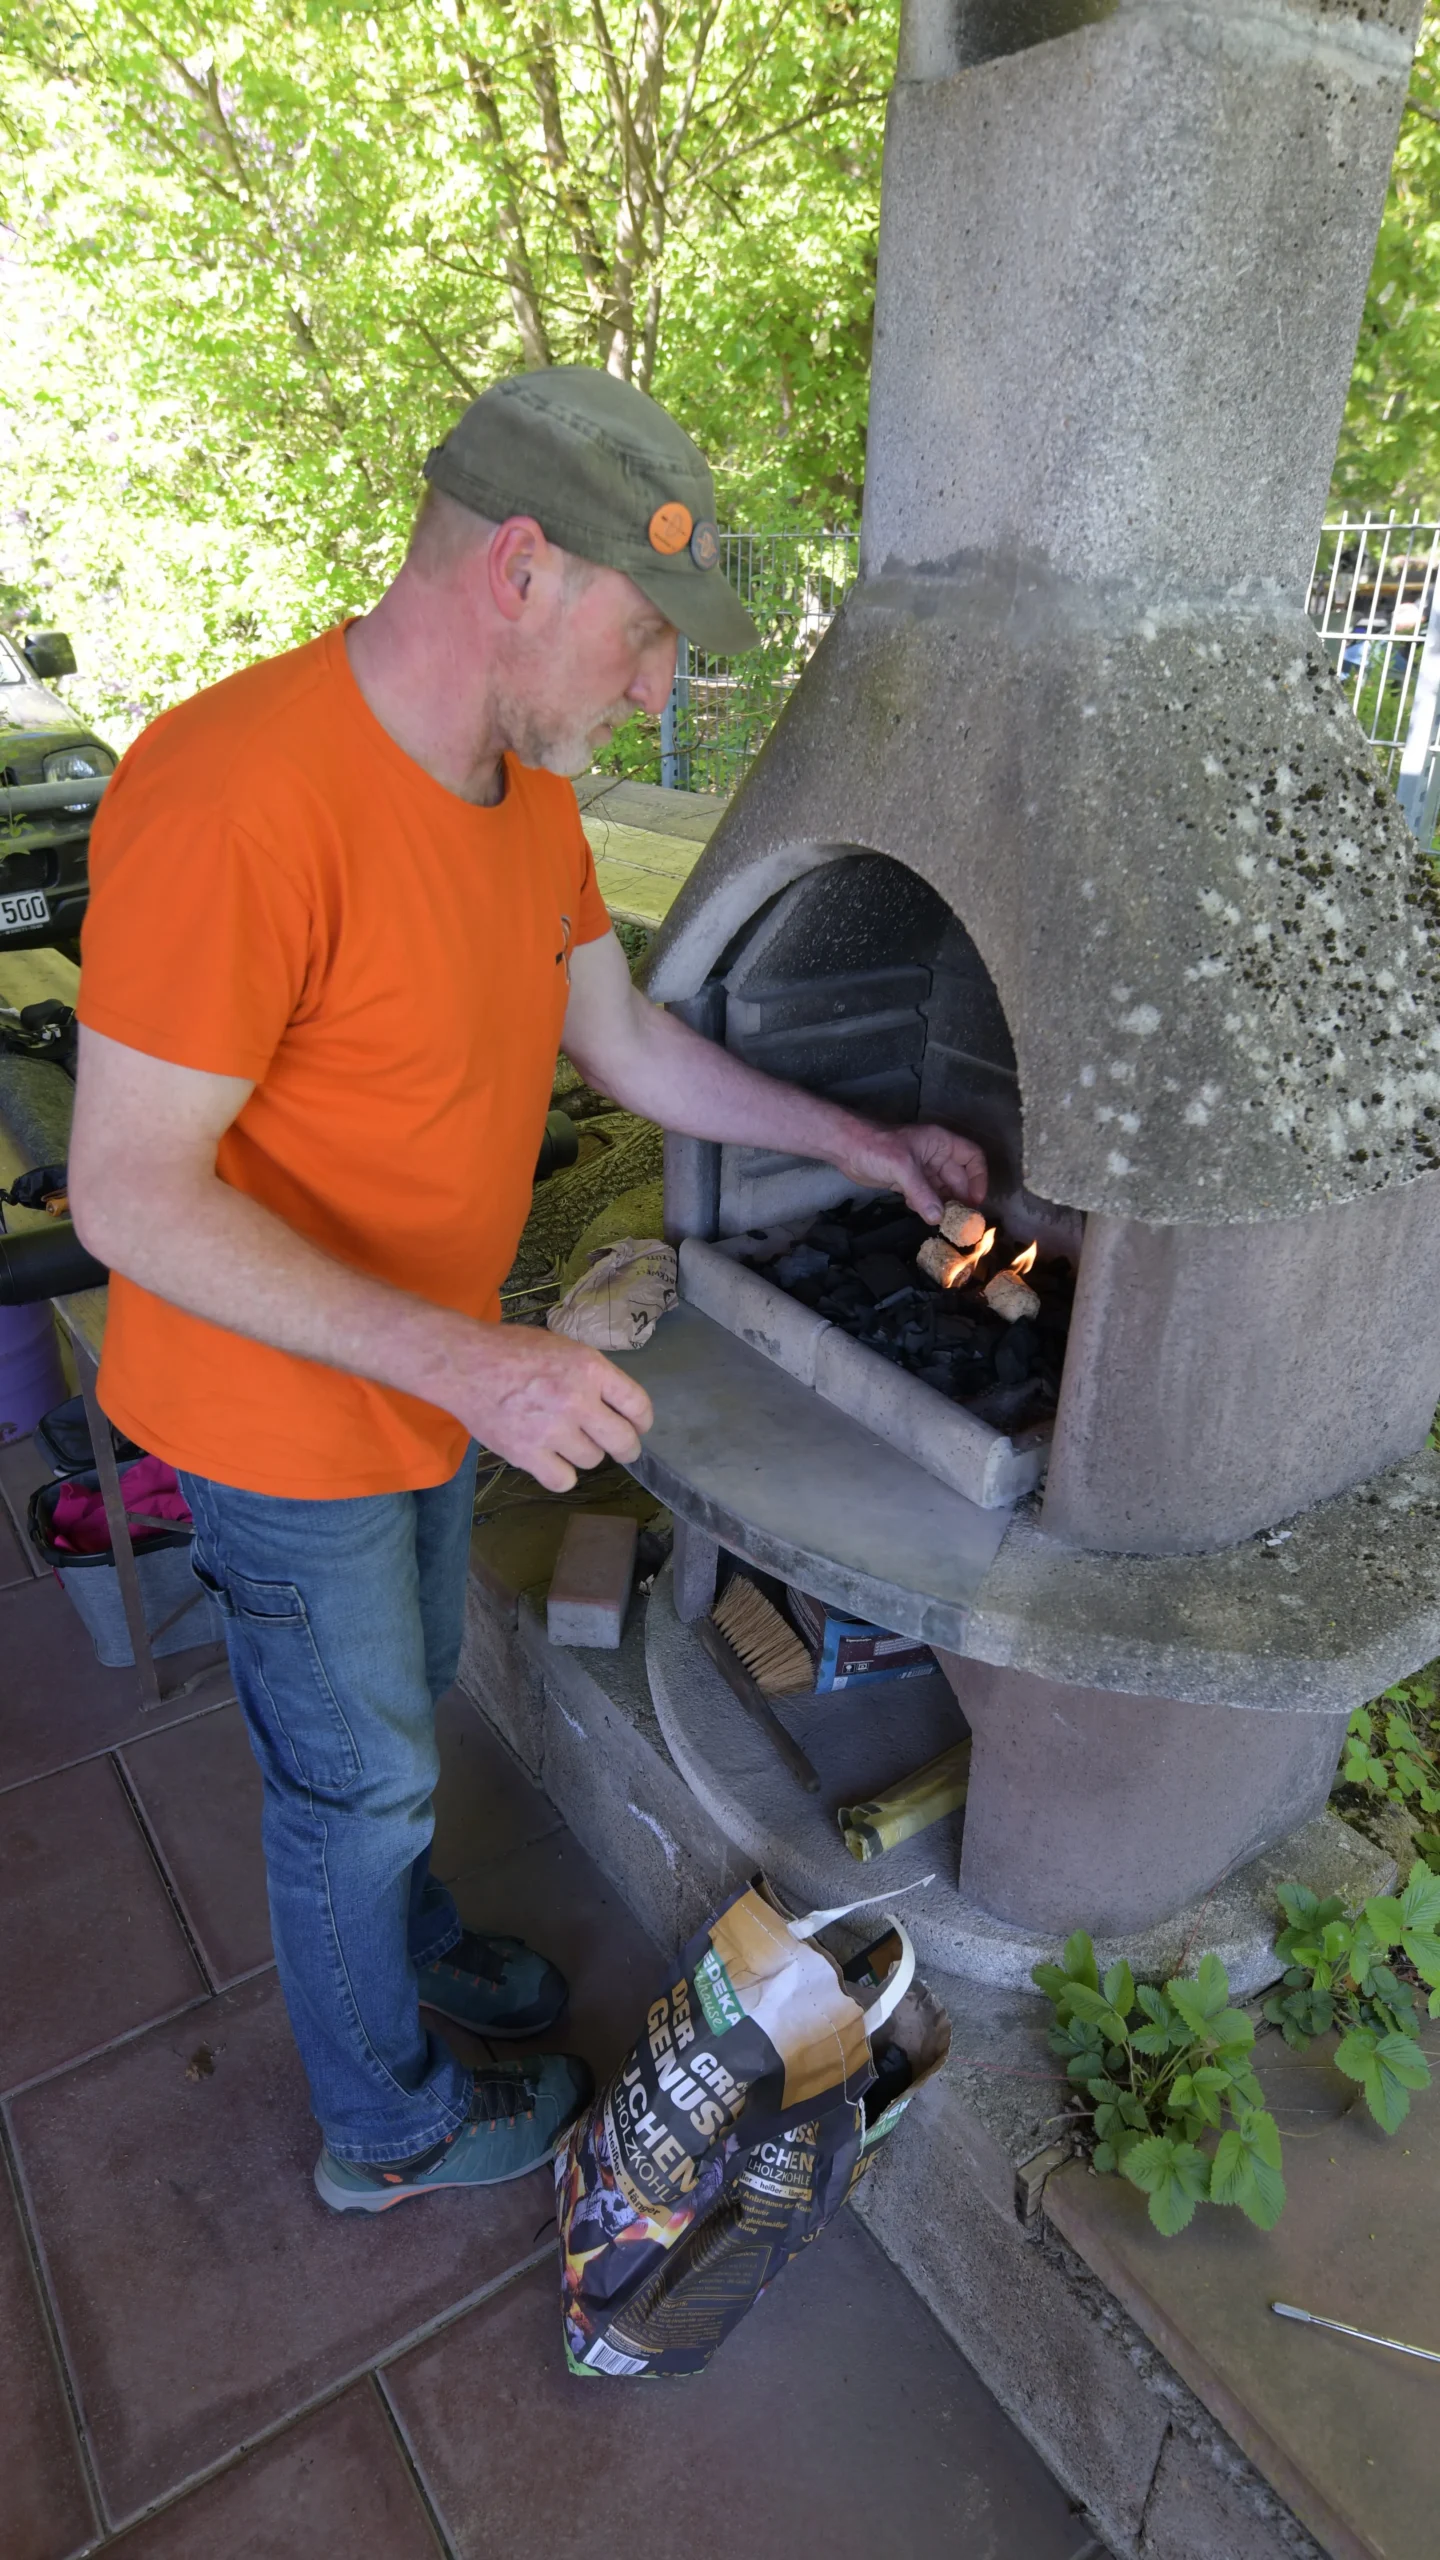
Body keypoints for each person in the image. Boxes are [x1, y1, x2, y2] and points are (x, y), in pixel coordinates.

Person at [68, 365, 986, 2214]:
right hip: (280, 1414)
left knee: (397, 1705)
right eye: (646, 633)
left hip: (427, 1384)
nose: (657, 687)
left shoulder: (525, 798)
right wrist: (478, 1363)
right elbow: (129, 1194)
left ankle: (400, 1933)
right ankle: (387, 2128)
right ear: (519, 569)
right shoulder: (233, 792)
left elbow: (623, 1046)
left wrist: (864, 1139)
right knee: (349, 1780)